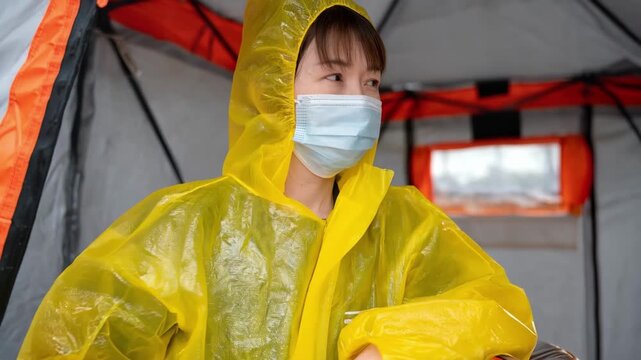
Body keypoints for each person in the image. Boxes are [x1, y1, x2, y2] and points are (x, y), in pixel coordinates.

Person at [18, 1, 537, 359]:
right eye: (335, 77)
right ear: (273, 88)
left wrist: (392, 344)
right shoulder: (188, 226)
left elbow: (496, 308)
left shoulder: (403, 222)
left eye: (371, 83)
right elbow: (78, 339)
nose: (359, 100)